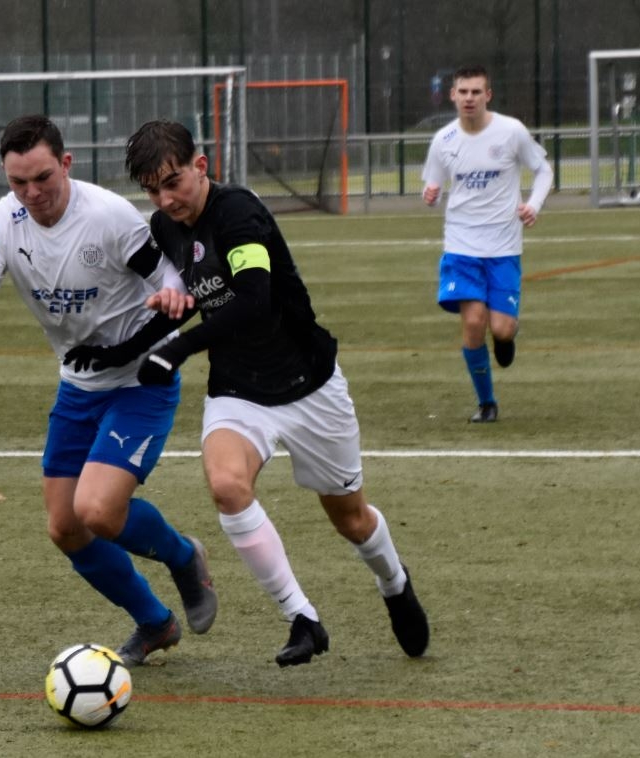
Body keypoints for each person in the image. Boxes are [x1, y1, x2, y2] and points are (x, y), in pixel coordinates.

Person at [116, 119, 429, 667]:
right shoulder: (165, 228)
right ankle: (302, 618)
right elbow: (189, 293)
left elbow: (254, 300)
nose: (165, 199)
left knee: (351, 518)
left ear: (201, 166)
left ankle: (394, 581)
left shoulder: (238, 211)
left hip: (310, 384)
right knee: (226, 485)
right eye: (152, 189)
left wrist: (179, 349)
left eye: (174, 182)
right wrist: (142, 336)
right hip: (239, 389)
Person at [0, 115, 217, 667]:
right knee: (65, 528)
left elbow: (174, 286)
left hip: (141, 383)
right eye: (18, 182)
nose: (32, 193)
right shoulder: (1, 222)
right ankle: (155, 623)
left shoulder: (110, 218)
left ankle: (185, 557)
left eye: (42, 177)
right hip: (77, 387)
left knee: (97, 511)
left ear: (66, 164)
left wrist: (149, 322)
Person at [421, 64, 553, 423]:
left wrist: (533, 204)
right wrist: (430, 194)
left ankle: (508, 335)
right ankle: (487, 403)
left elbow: (544, 170)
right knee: (474, 322)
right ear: (452, 95)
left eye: (476, 92)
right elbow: (431, 186)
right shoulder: (444, 141)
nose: (469, 98)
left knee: (501, 328)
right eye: (463, 92)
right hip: (461, 245)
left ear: (487, 95)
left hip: (503, 247)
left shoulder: (511, 132)